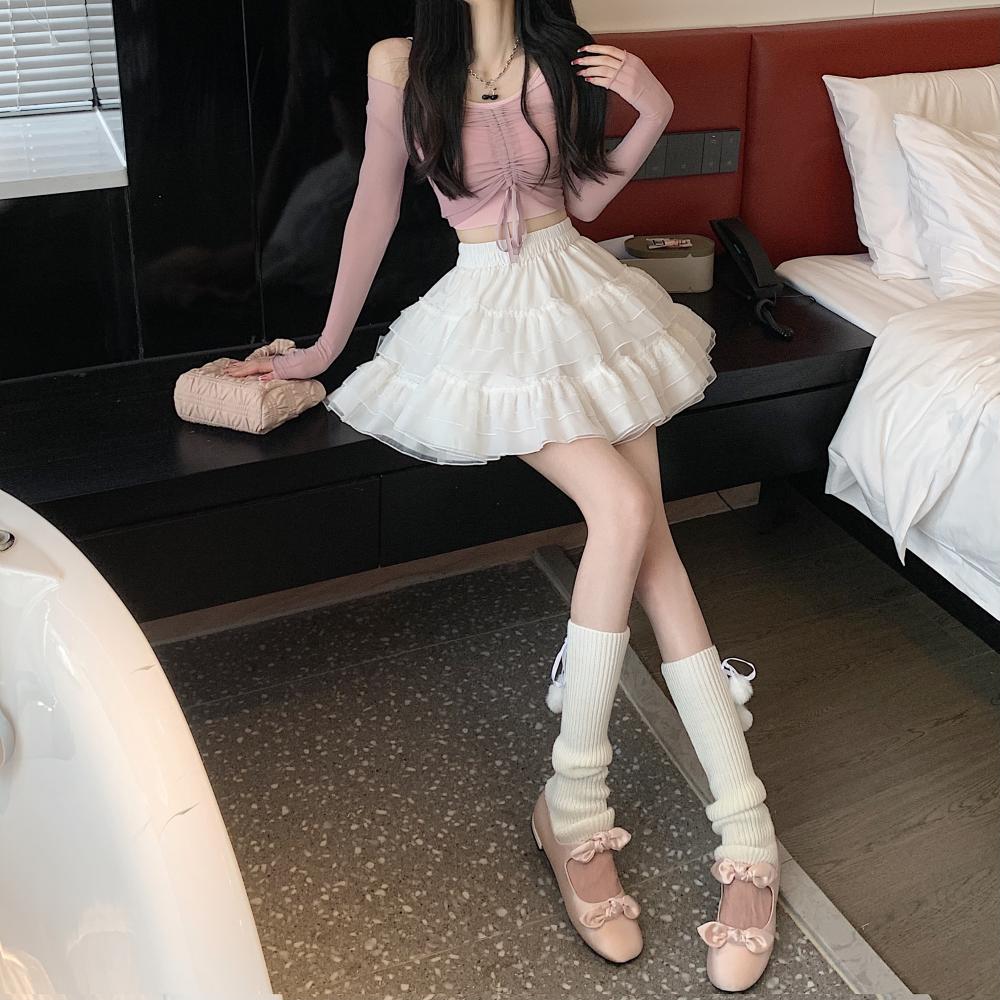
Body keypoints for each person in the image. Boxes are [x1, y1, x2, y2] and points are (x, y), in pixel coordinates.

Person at [226, 0, 780, 990]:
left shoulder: (560, 50)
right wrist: (321, 346)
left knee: (655, 556)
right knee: (622, 514)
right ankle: (576, 804)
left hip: (586, 299)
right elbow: (374, 205)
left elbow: (585, 203)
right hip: (489, 318)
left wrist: (653, 111)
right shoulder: (398, 61)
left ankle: (746, 832)